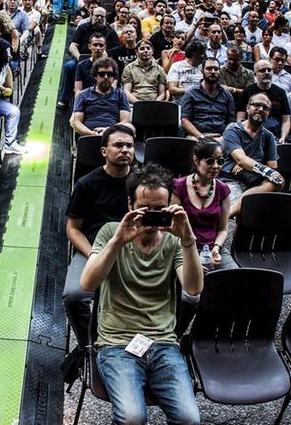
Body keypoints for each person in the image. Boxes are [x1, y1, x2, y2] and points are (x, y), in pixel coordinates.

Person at [79, 163, 203, 425]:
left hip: (163, 342)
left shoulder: (174, 241)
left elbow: (193, 288)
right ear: (130, 205)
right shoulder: (110, 232)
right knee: (133, 418)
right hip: (116, 343)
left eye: (161, 209)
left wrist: (188, 238)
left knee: (189, 419)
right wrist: (117, 242)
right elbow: (88, 283)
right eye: (146, 210)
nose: (154, 217)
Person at [64, 124, 136, 352]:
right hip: (94, 248)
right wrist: (94, 254)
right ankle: (91, 344)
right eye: (118, 145)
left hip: (135, 249)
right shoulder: (87, 184)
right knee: (74, 296)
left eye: (130, 146)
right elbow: (73, 229)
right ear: (104, 151)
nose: (125, 150)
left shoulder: (143, 182)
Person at [171, 139, 233, 270]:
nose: (216, 166)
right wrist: (192, 253)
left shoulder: (223, 189)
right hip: (185, 246)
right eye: (210, 161)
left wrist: (216, 248)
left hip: (213, 247)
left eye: (220, 161)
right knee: (192, 287)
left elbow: (223, 229)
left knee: (237, 281)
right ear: (196, 160)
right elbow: (174, 229)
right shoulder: (178, 186)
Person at [220, 91, 282, 216]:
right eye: (256, 105)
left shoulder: (268, 137)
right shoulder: (233, 129)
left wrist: (248, 166)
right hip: (232, 180)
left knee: (278, 183)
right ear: (248, 108)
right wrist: (246, 163)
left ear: (269, 113)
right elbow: (241, 159)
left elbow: (272, 166)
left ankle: (235, 208)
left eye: (265, 108)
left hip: (255, 182)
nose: (260, 109)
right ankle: (229, 215)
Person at [71, 57, 132, 137]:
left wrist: (108, 131)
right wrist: (92, 134)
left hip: (113, 136)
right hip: (88, 136)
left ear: (114, 77)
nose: (106, 77)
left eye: (109, 74)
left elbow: (125, 120)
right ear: (95, 76)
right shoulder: (83, 95)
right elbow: (77, 122)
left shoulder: (121, 94)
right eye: (102, 74)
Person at [179, 58, 235, 140]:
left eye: (216, 69)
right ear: (202, 71)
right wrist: (201, 137)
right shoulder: (191, 93)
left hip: (220, 136)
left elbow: (231, 121)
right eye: (209, 68)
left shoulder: (227, 95)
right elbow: (185, 121)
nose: (213, 72)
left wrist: (225, 137)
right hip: (196, 136)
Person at [121, 39, 168, 104]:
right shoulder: (129, 68)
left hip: (154, 104)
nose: (146, 50)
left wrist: (155, 104)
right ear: (136, 52)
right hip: (134, 104)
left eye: (148, 48)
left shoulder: (159, 69)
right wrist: (139, 104)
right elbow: (126, 91)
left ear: (152, 51)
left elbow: (162, 93)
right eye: (142, 48)